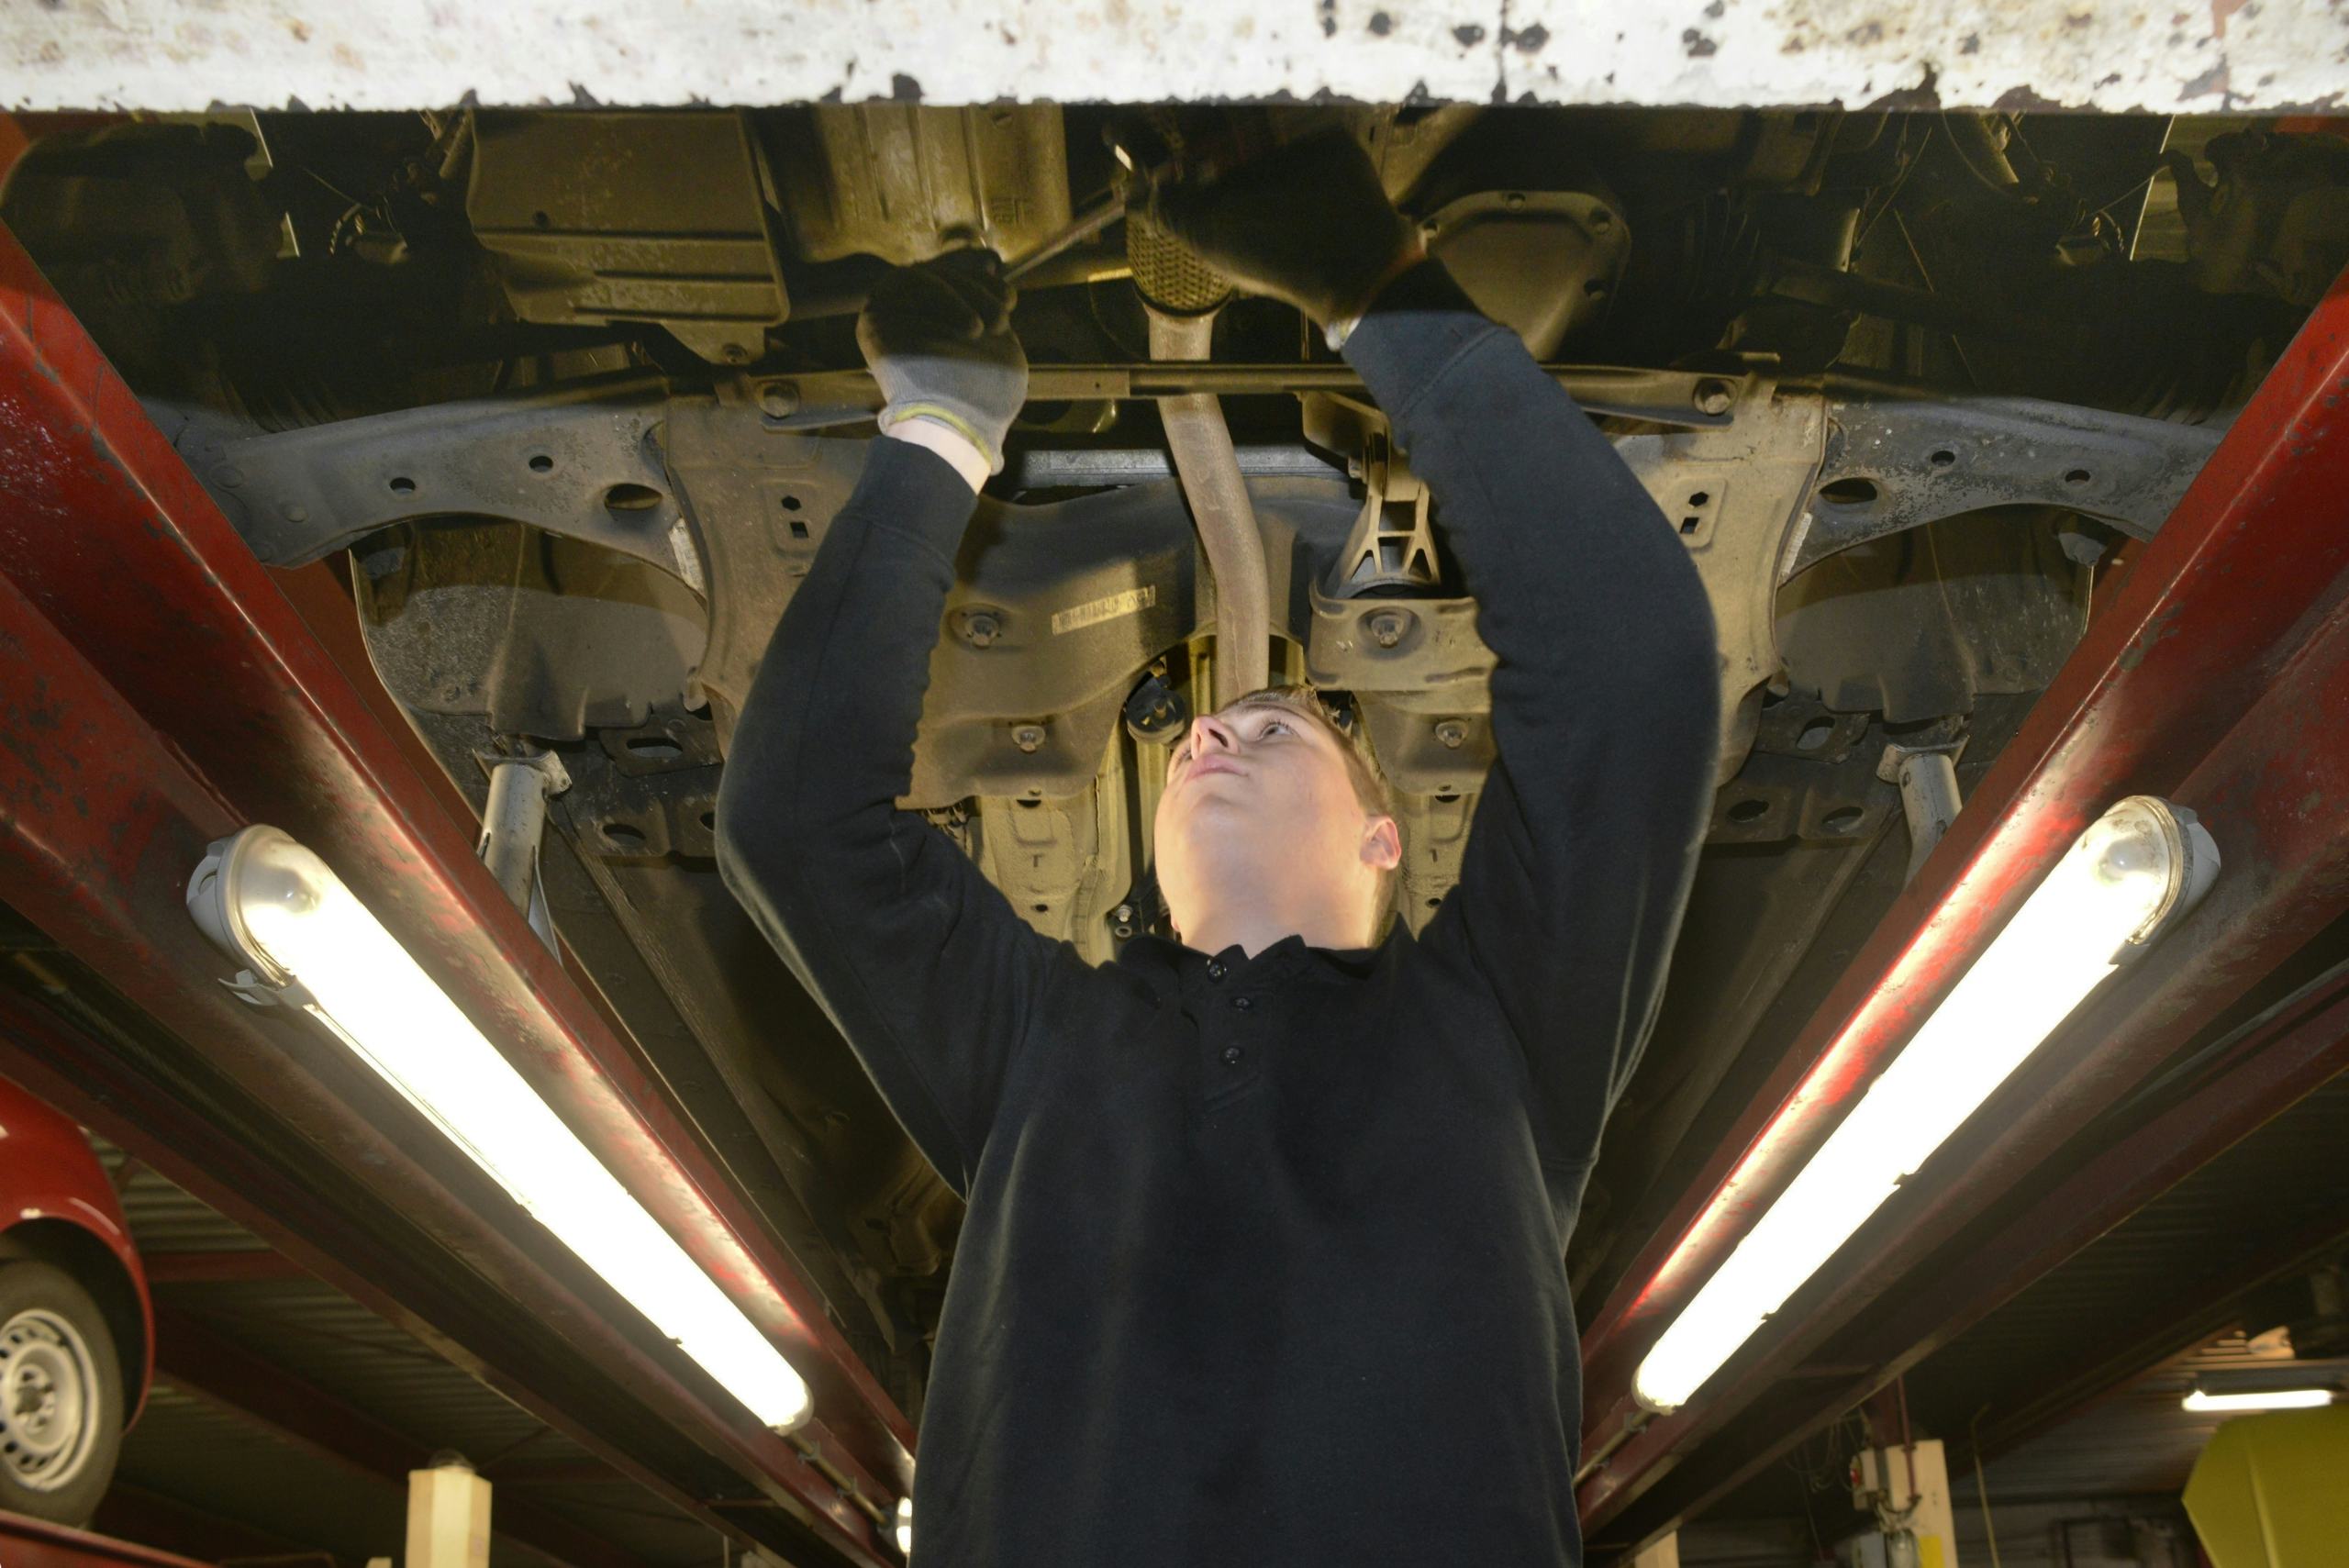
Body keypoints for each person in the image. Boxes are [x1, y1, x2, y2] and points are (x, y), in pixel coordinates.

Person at [717, 131, 1720, 1568]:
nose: (1206, 734)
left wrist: (1384, 293)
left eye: (1281, 724)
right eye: (1198, 735)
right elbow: (794, 827)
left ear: (1390, 834)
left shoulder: (1496, 1024)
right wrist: (935, 431)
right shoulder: (1039, 1049)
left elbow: (1631, 670)